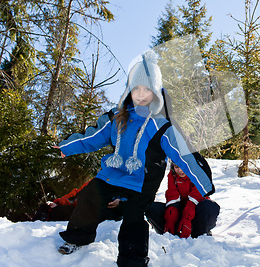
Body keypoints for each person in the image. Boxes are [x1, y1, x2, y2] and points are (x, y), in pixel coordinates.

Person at [54, 52, 214, 267]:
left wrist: (204, 184)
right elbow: (93, 136)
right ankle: (77, 238)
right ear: (129, 89)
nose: (141, 94)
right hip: (113, 173)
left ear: (155, 91)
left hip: (143, 180)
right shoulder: (116, 116)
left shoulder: (162, 124)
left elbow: (183, 154)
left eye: (147, 89)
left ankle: (133, 260)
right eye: (136, 88)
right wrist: (67, 147)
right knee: (90, 196)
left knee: (135, 215)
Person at [146, 162, 220, 238]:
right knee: (152, 208)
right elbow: (172, 197)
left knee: (210, 206)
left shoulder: (198, 174)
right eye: (177, 167)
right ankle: (168, 234)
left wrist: (187, 219)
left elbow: (195, 198)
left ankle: (200, 234)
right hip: (180, 211)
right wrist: (170, 220)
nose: (180, 171)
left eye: (184, 167)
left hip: (196, 211)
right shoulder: (172, 175)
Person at [33, 180, 125, 222]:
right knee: (56, 210)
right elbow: (77, 195)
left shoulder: (132, 180)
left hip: (113, 215)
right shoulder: (99, 180)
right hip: (88, 211)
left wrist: (121, 201)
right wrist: (58, 203)